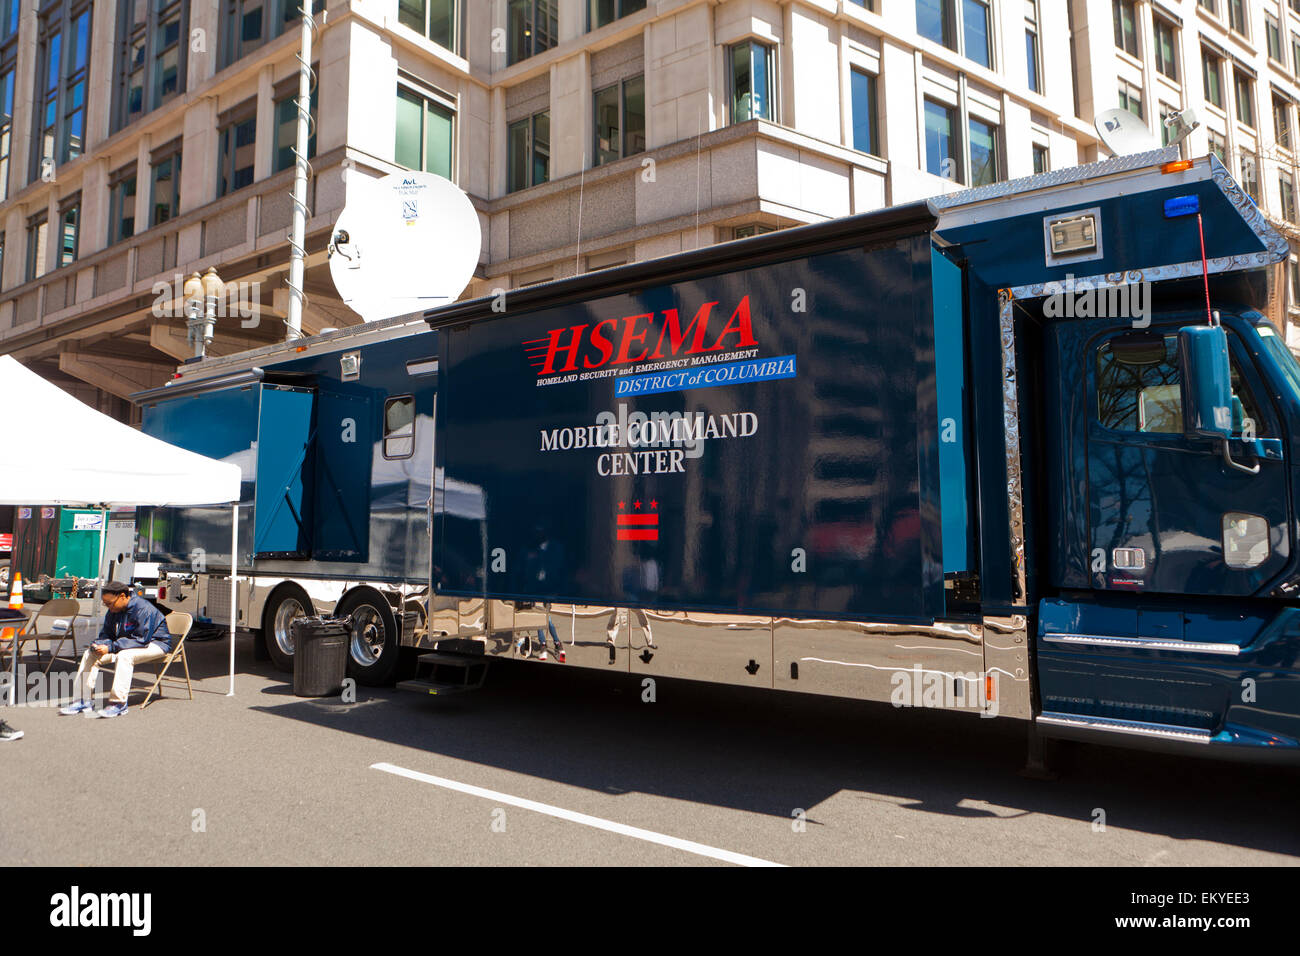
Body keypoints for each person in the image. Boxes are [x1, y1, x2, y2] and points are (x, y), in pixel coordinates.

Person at [59, 582, 172, 719]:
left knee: (125, 656)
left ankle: (118, 704)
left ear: (123, 596)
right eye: (105, 604)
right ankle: (82, 700)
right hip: (127, 643)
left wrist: (111, 647)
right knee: (91, 654)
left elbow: (141, 639)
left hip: (156, 643)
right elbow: (106, 634)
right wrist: (98, 645)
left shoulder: (143, 608)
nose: (108, 607)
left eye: (110, 603)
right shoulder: (114, 610)